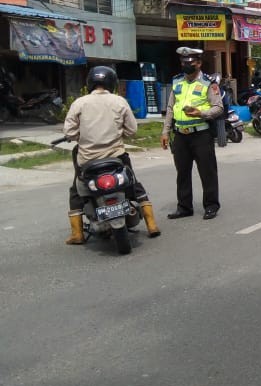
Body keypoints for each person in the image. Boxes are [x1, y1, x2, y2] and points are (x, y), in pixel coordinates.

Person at [62, 65, 161, 244]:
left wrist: (81, 136)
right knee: (134, 184)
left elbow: (69, 132)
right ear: (112, 83)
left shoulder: (79, 103)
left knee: (76, 191)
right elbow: (132, 130)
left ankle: (77, 234)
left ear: (90, 82)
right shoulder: (119, 101)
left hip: (88, 160)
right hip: (116, 158)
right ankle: (151, 224)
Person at [161, 47, 224, 219]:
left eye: (190, 63)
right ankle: (184, 207)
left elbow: (218, 107)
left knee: (207, 172)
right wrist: (165, 131)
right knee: (182, 173)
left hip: (201, 134)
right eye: (183, 63)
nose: (186, 66)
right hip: (180, 135)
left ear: (199, 63)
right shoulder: (177, 81)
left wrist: (201, 113)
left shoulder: (208, 83)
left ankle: (211, 205)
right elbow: (170, 108)